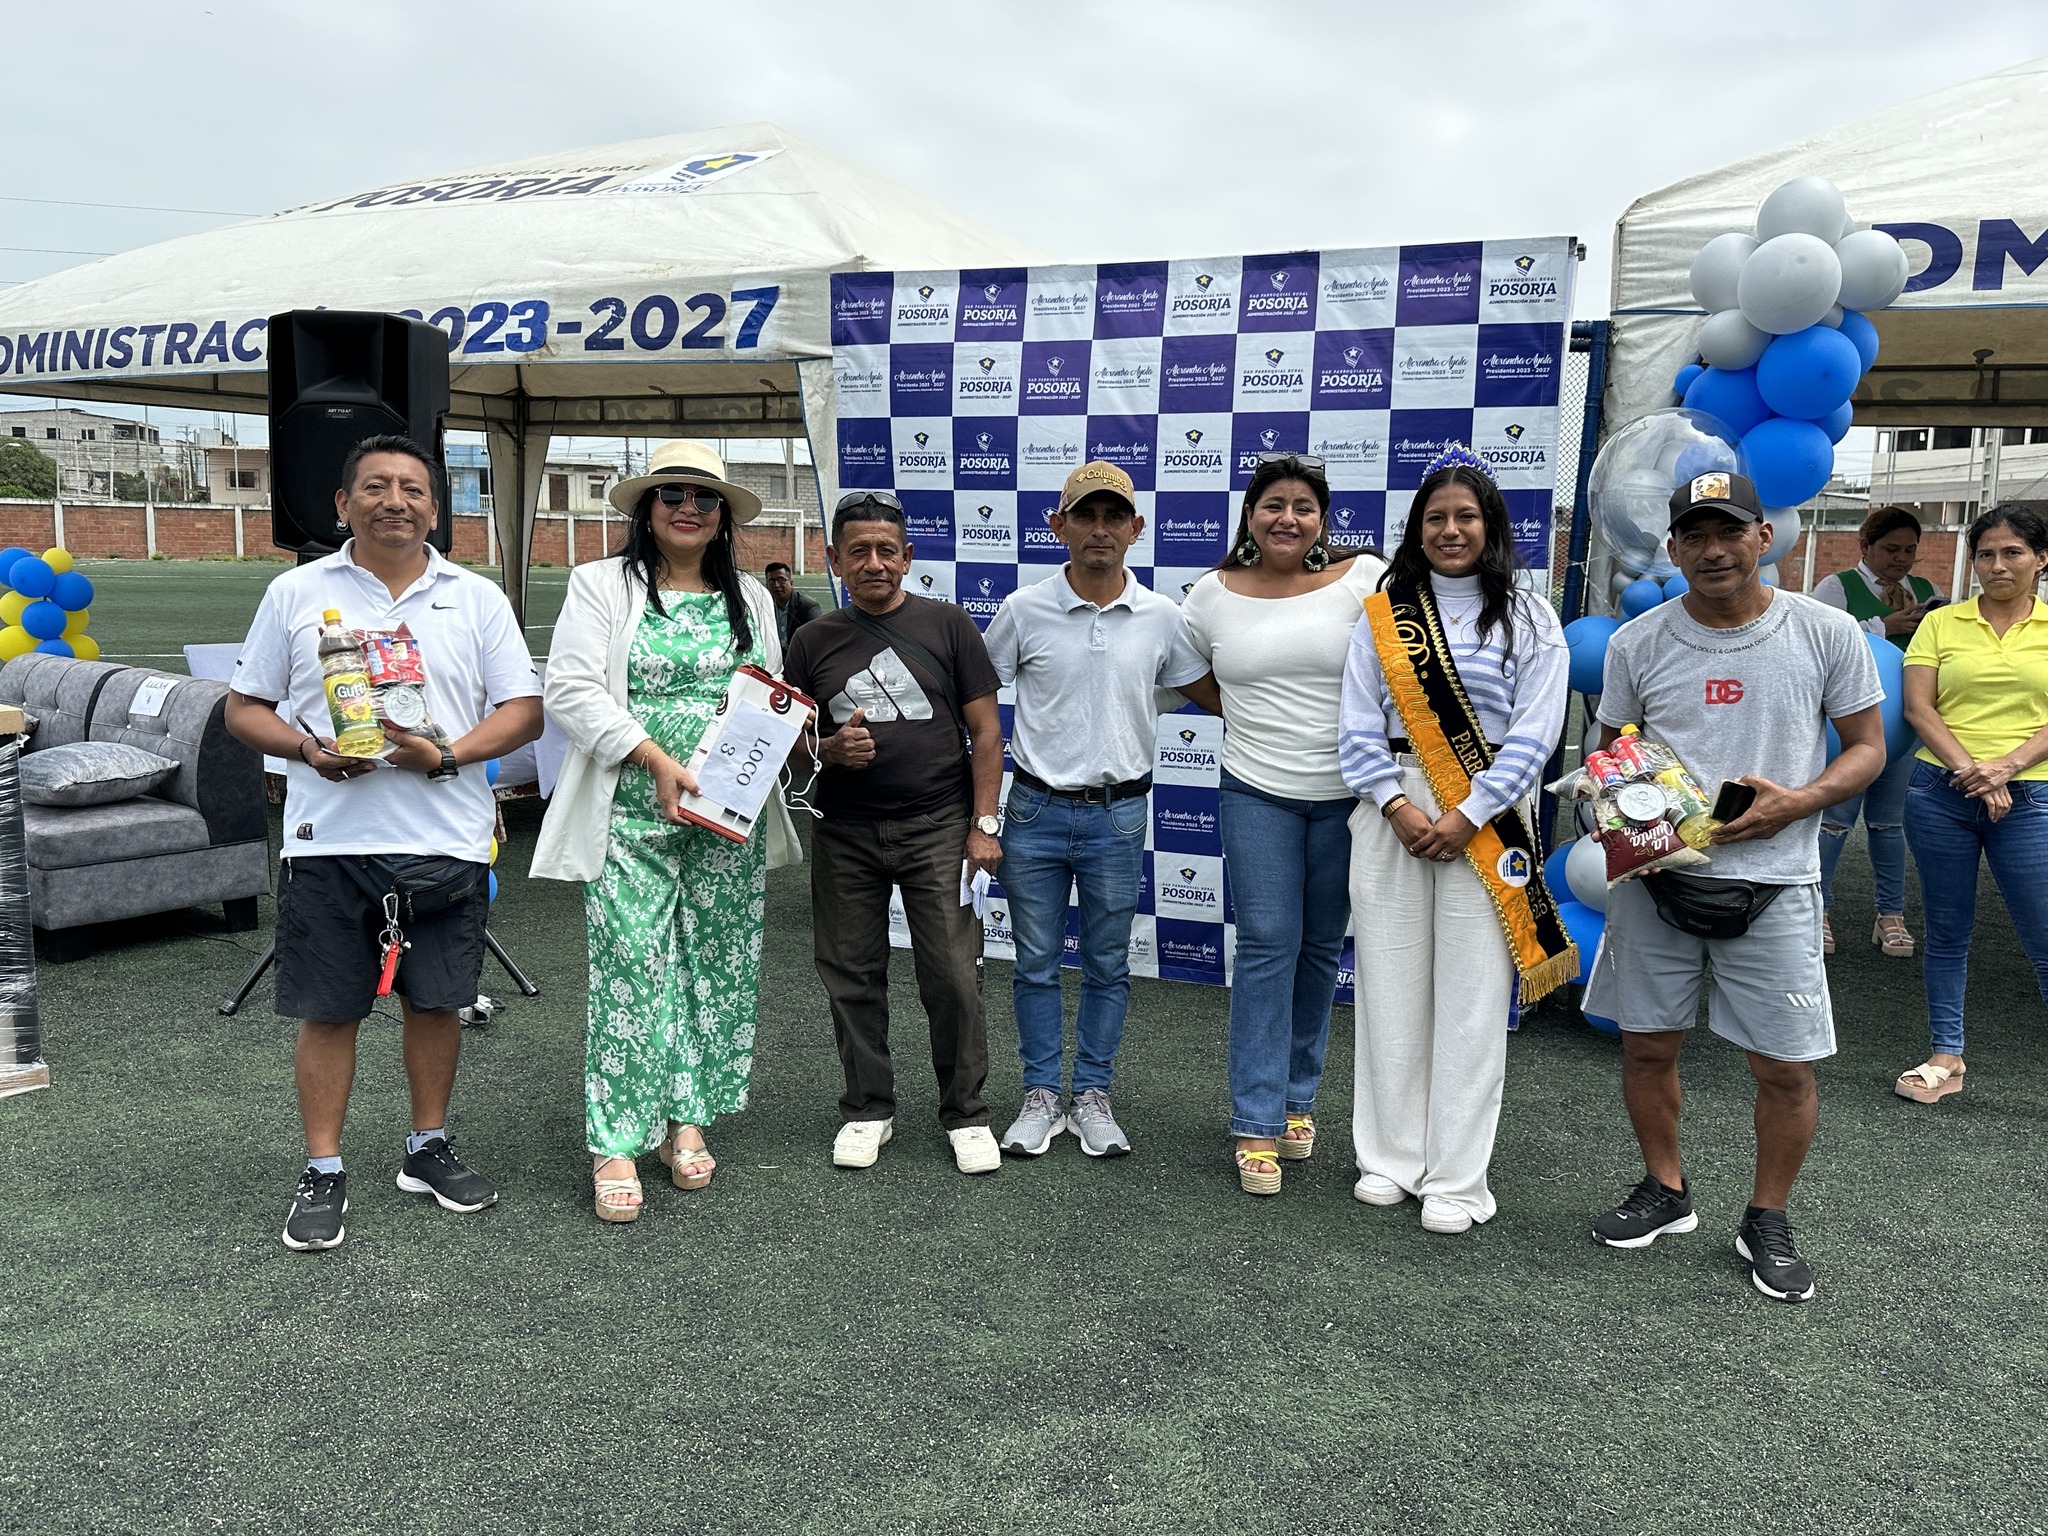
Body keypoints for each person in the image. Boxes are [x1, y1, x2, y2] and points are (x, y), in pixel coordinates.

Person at [224, 434, 543, 1253]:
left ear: (436, 508)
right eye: (374, 486)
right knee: (329, 1010)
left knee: (436, 1003)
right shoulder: (296, 593)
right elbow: (244, 708)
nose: (394, 500)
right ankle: (323, 1168)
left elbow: (522, 711)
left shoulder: (475, 598)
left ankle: (426, 1148)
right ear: (343, 504)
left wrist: (448, 756)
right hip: (328, 840)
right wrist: (307, 750)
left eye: (412, 488)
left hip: (446, 838)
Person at [1584, 470, 1883, 1304]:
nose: (1713, 550)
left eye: (1729, 532)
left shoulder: (1825, 631)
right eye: (1695, 536)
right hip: (1658, 882)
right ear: (1673, 548)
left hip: (1777, 881)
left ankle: (1767, 1218)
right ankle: (1665, 1189)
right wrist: (1625, 817)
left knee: (1784, 1068)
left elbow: (1867, 746)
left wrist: (1801, 801)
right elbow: (1612, 752)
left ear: (1764, 536)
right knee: (1647, 1046)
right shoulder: (1637, 642)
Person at [533, 442, 793, 1223]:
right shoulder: (601, 585)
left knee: (714, 969)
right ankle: (616, 1140)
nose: (688, 508)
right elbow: (569, 689)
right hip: (630, 810)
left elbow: (767, 692)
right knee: (633, 970)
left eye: (705, 498)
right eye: (672, 494)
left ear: (722, 517)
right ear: (647, 509)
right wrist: (653, 758)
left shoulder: (753, 596)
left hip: (725, 820)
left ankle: (687, 1118)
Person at [1338, 448, 1573, 1234]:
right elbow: (1356, 726)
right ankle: (1389, 1159)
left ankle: (1458, 1178)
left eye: (1465, 516)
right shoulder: (1383, 613)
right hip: (1394, 810)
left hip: (1490, 816)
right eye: (1435, 517)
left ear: (1490, 524)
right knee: (1389, 989)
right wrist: (1396, 806)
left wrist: (1470, 811)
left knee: (1472, 1003)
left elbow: (1537, 734)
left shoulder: (1531, 617)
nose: (1450, 529)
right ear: (1417, 529)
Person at [984, 461, 1209, 1159]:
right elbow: (979, 704)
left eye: (1114, 516)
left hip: (1119, 815)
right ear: (1060, 525)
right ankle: (1040, 1094)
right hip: (1033, 811)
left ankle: (1091, 1096)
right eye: (1085, 514)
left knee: (1109, 964)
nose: (1100, 529)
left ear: (1136, 528)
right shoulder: (1024, 609)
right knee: (1035, 963)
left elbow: (1201, 689)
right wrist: (980, 814)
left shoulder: (1163, 617)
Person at [1177, 453, 1385, 1195]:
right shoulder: (1210, 594)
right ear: (1250, 515)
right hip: (1255, 791)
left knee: (1321, 948)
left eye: (1303, 506)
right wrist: (1246, 712)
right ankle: (1255, 1121)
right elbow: (1186, 672)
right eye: (1273, 505)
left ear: (1323, 519)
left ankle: (1299, 1100)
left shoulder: (1367, 579)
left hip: (1350, 796)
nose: (1287, 518)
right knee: (1268, 943)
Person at [782, 489, 1006, 1175]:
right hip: (845, 832)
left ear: (908, 557)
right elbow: (789, 742)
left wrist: (984, 826)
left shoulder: (949, 625)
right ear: (834, 560)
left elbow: (987, 733)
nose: (874, 563)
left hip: (938, 827)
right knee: (850, 973)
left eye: (887, 550)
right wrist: (825, 749)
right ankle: (867, 1108)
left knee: (953, 975)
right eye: (859, 552)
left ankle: (966, 1112)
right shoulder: (812, 640)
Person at [1896, 505, 2048, 1105]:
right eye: (1986, 553)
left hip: (2032, 796)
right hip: (1941, 794)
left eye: (2013, 552)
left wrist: (2005, 768)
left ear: (2041, 559)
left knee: (2043, 932)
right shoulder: (1941, 623)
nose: (1997, 565)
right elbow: (1919, 708)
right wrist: (1974, 774)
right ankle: (1946, 1055)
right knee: (1947, 929)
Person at [1811, 506, 1945, 958]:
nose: (1901, 559)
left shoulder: (1928, 592)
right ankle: (1818, 911)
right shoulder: (1836, 587)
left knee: (1890, 824)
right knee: (1834, 820)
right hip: (1846, 725)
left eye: (1910, 550)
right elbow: (1818, 642)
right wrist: (1884, 627)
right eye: (1891, 549)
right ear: (1865, 546)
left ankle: (1891, 915)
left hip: (1907, 725)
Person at [765, 560, 822, 650]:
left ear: (791, 583)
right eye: (772, 581)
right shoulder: (763, 606)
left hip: (799, 655)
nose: (776, 585)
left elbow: (813, 640)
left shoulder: (809, 607)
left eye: (781, 580)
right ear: (766, 585)